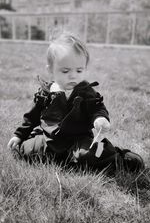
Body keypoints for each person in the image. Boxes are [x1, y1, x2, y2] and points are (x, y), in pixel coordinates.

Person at [7, 33, 144, 175]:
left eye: (79, 70)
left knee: (92, 154)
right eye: (65, 71)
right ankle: (65, 160)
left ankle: (119, 158)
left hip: (79, 139)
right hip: (50, 140)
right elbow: (31, 117)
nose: (73, 75)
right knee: (26, 150)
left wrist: (100, 118)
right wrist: (19, 135)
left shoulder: (86, 91)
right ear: (50, 70)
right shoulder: (46, 92)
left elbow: (97, 108)